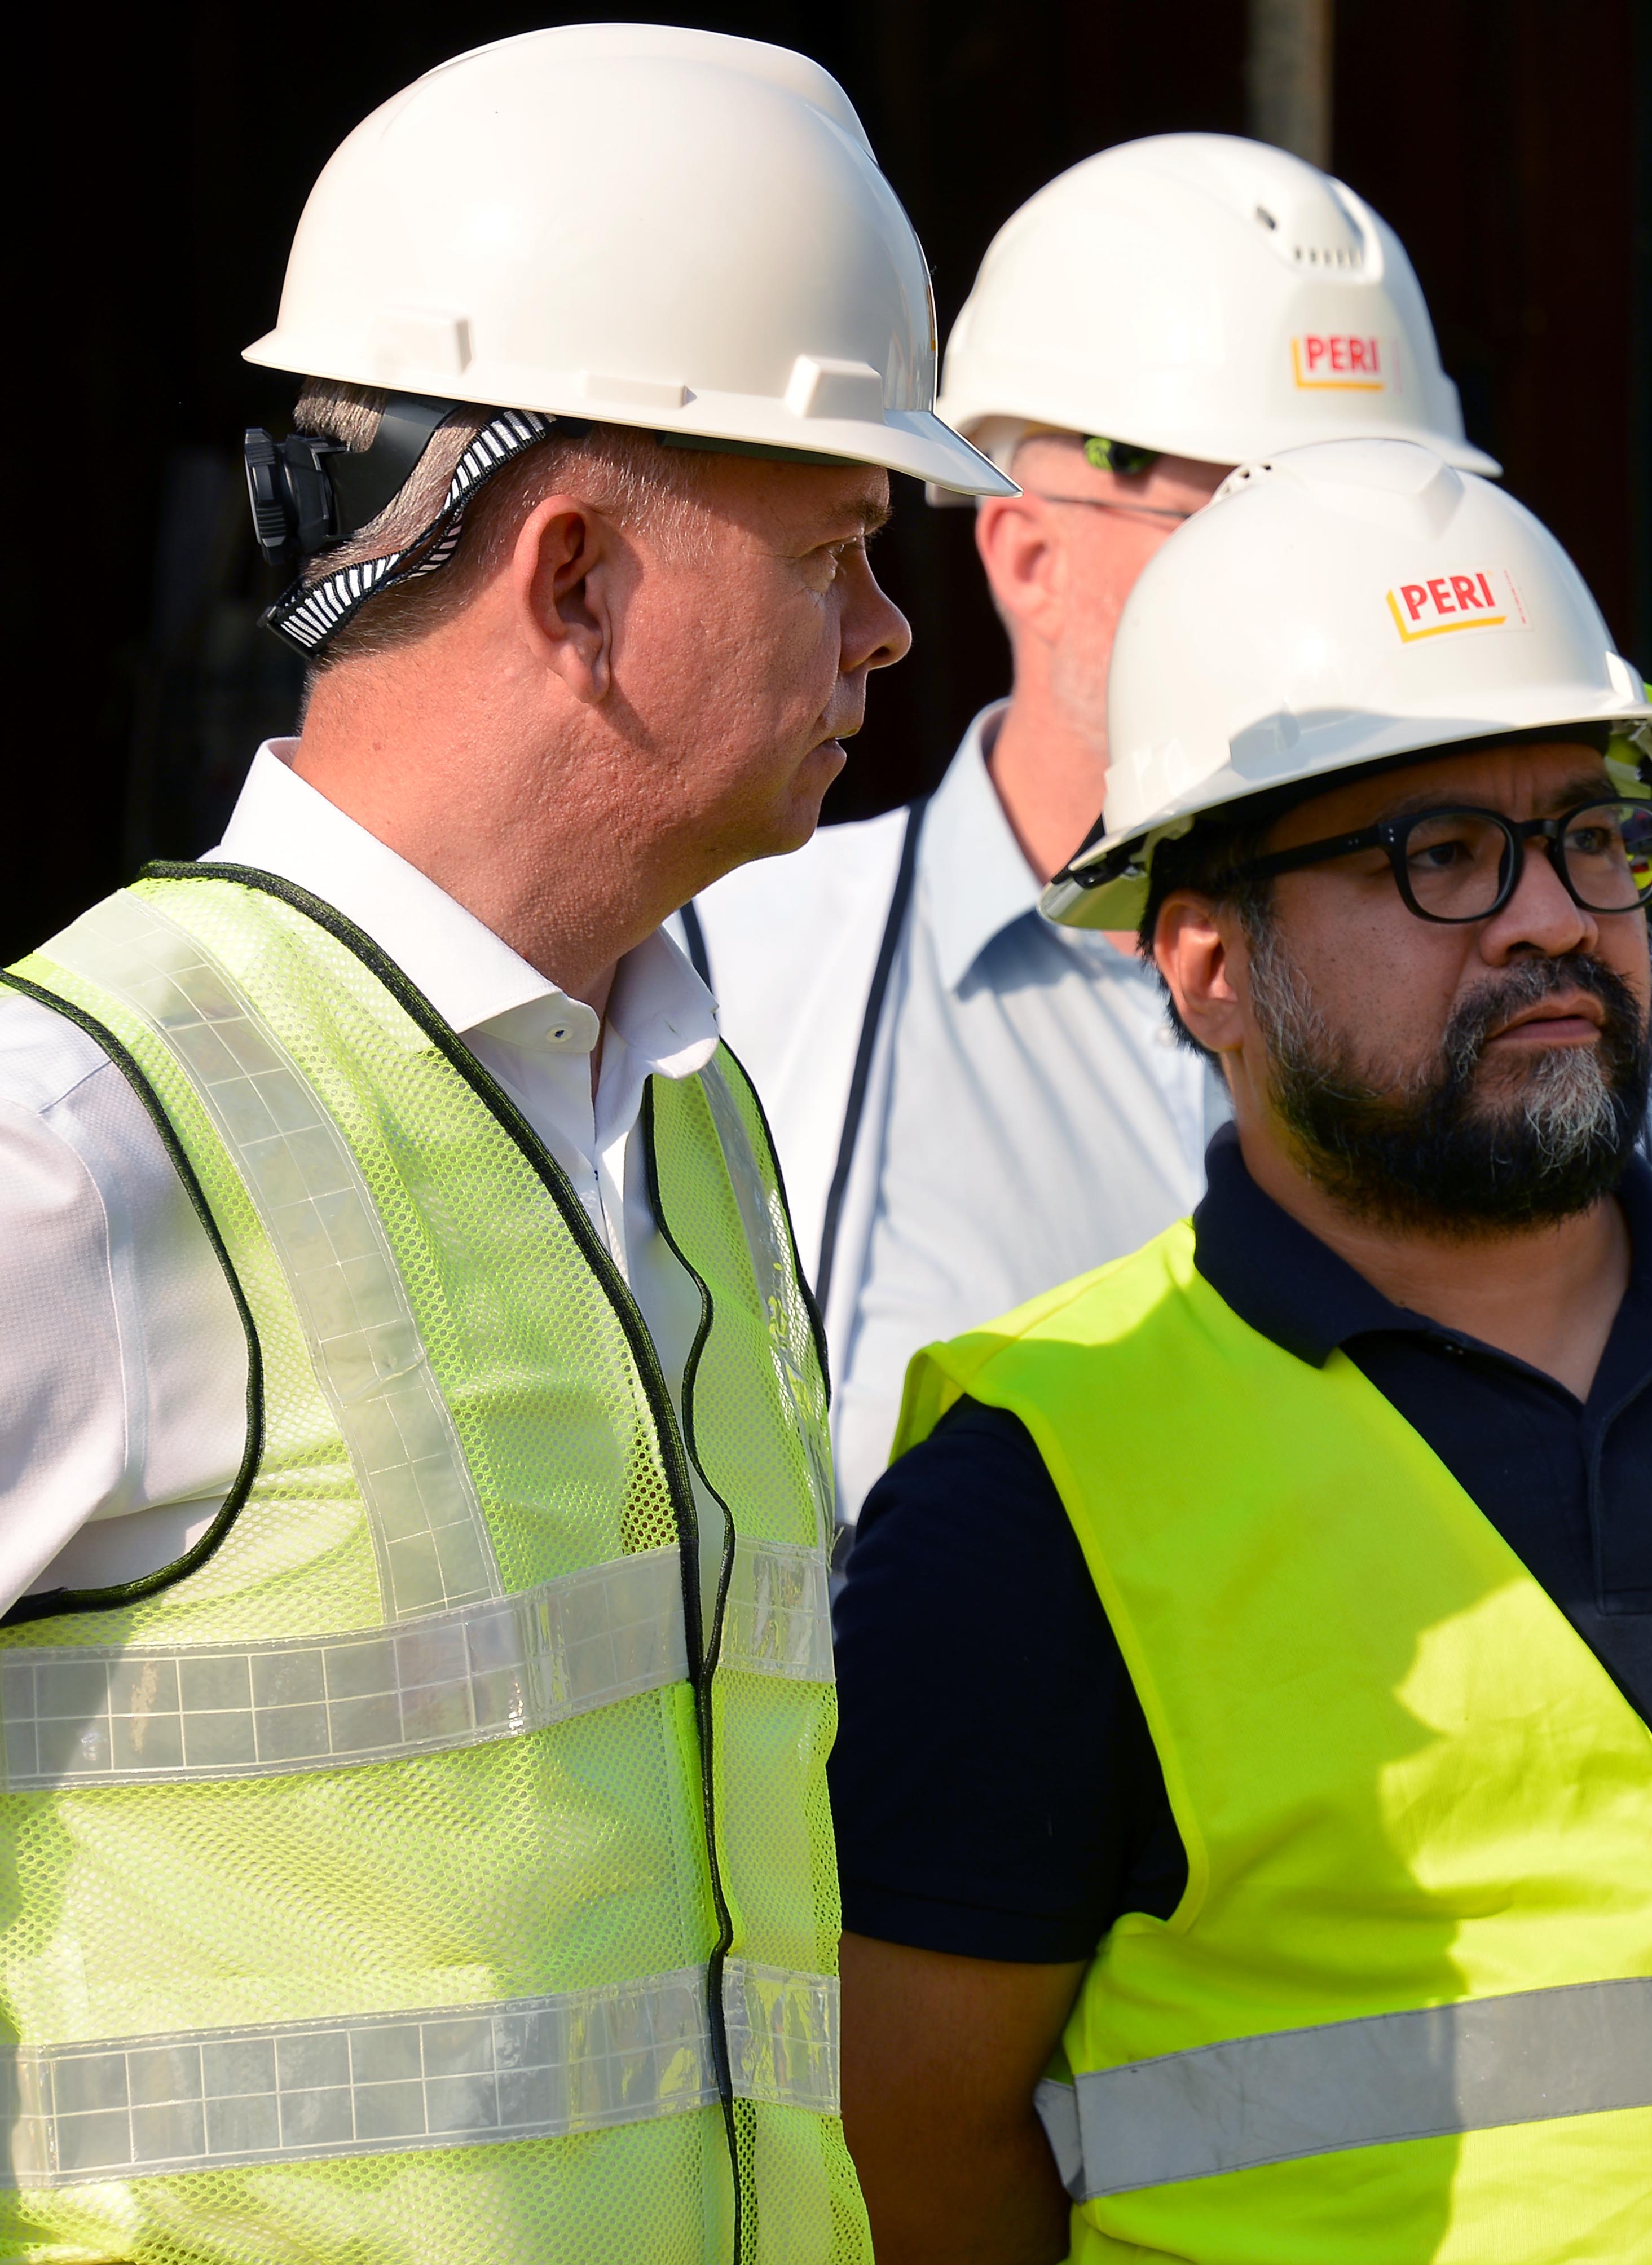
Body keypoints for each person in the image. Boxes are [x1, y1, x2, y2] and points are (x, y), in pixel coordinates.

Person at [0, 27, 1006, 2255]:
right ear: (571, 582)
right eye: (839, 545)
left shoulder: (695, 1125)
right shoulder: (80, 1131)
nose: (889, 627)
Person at [829, 438, 1652, 2263]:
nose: (1552, 911)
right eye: (1443, 851)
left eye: (1593, 834)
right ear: (1203, 960)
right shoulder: (1033, 1492)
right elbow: (910, 2156)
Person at [686, 135, 1652, 1515]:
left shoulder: (1565, 1006)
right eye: (1252, 512)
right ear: (1027, 552)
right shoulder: (729, 992)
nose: (1352, 590)